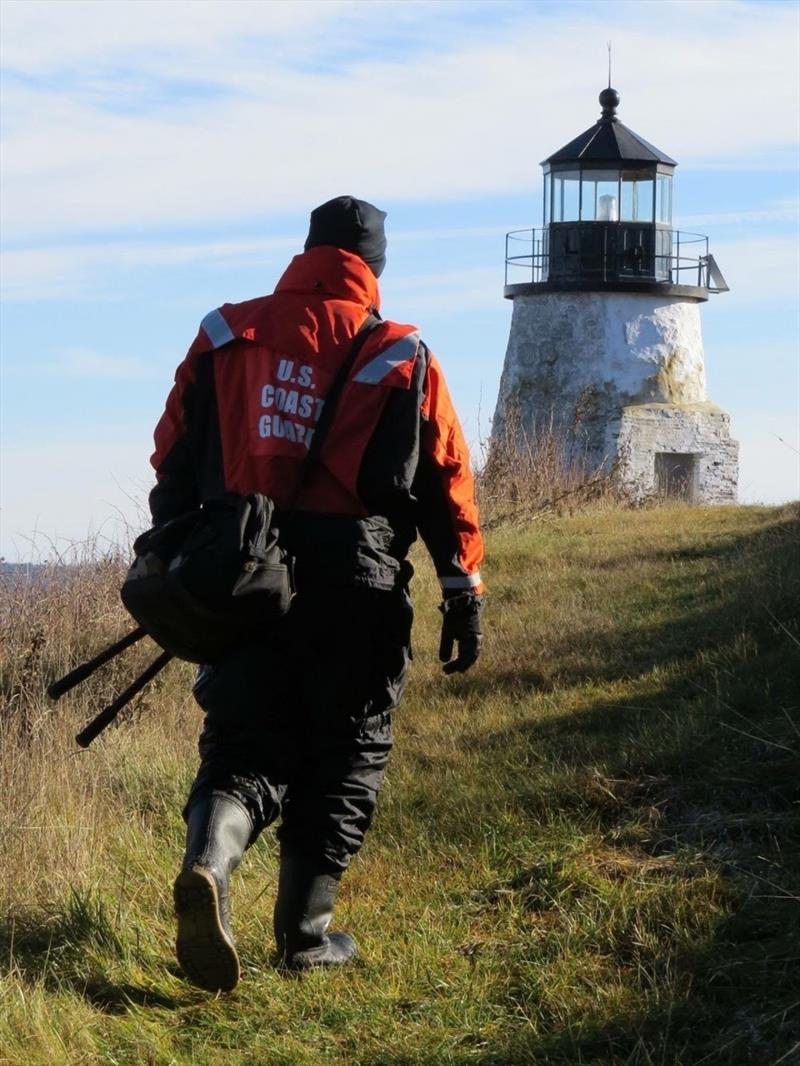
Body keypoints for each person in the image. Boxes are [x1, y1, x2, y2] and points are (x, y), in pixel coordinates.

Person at [148, 196, 485, 992]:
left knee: (244, 744)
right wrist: (461, 590)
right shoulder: (404, 352)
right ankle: (304, 939)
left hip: (244, 577)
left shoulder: (227, 332)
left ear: (307, 251)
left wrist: (181, 545)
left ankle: (210, 863)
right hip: (355, 584)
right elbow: (446, 482)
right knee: (345, 753)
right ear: (373, 265)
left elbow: (172, 453)